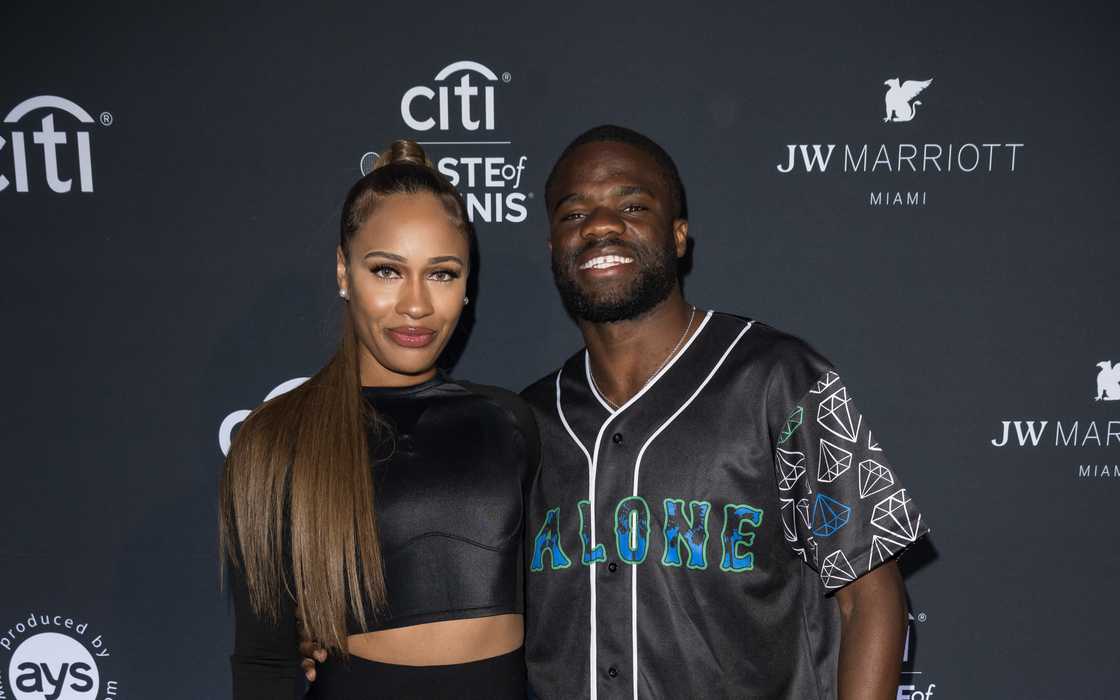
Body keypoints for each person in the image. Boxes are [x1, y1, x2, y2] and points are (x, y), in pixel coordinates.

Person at [519, 124, 929, 699]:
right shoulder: (526, 421)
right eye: (573, 214)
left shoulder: (780, 378)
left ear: (679, 236)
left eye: (632, 205)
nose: (601, 225)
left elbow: (871, 597)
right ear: (553, 249)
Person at [220, 140, 537, 700]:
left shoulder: (511, 422)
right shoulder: (275, 440)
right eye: (387, 270)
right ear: (344, 272)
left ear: (467, 287)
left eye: (441, 274)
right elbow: (263, 666)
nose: (416, 304)